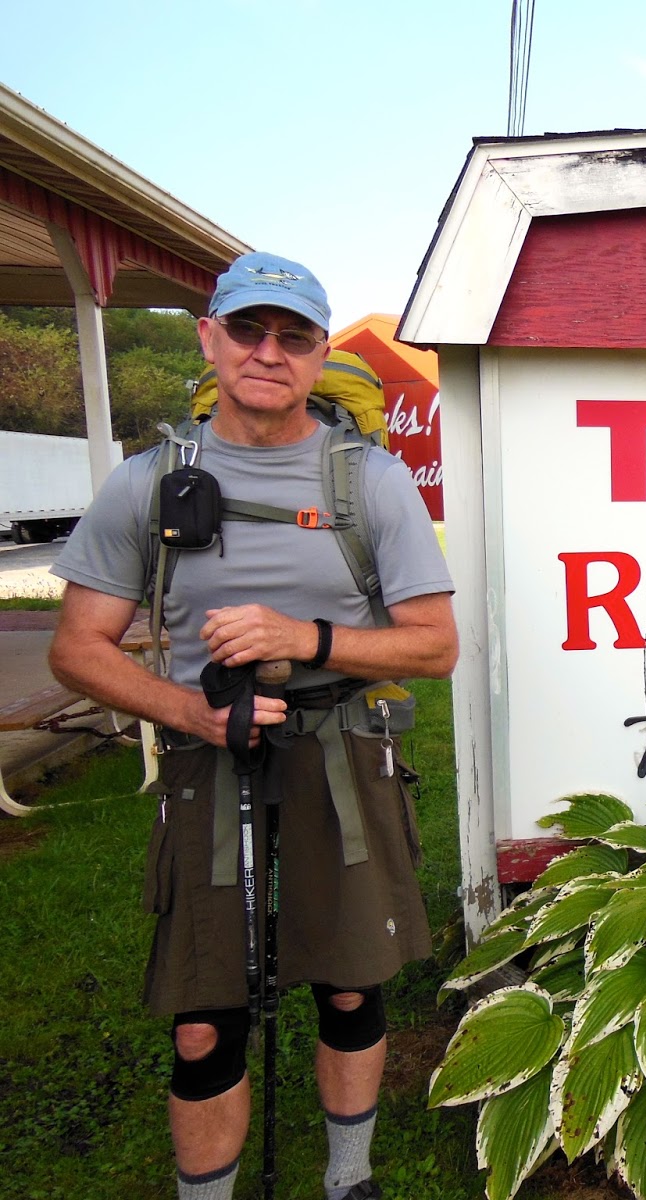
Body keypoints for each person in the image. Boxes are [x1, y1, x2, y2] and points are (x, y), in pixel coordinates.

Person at [49, 251, 458, 1200]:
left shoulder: (372, 484)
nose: (267, 352)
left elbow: (433, 647)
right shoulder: (147, 482)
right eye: (247, 329)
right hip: (207, 751)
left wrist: (303, 636)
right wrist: (190, 708)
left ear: (318, 357)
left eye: (293, 337)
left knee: (351, 982)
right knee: (204, 1016)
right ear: (210, 337)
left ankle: (347, 1181)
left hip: (340, 749)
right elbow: (79, 647)